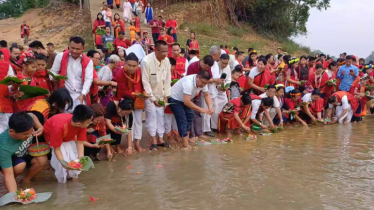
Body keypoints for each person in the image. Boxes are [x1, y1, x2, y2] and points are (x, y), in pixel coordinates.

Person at [44, 105, 93, 183]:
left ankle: (74, 179)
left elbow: (80, 143)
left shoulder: (82, 125)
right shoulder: (58, 127)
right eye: (88, 122)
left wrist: (81, 159)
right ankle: (61, 182)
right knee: (61, 165)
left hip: (68, 137)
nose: (90, 123)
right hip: (52, 135)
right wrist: (63, 163)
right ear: (79, 124)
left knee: (74, 158)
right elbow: (57, 148)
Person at [0, 112, 45, 192]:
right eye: (25, 134)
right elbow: (8, 175)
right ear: (11, 132)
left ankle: (26, 180)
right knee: (19, 167)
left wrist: (40, 127)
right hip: (12, 158)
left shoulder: (25, 122)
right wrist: (15, 196)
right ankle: (11, 185)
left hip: (24, 153)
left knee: (42, 159)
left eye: (31, 131)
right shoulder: (4, 147)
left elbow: (32, 115)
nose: (29, 135)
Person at [169, 70, 214, 149]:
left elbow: (206, 94)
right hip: (175, 98)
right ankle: (185, 144)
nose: (203, 85)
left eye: (205, 83)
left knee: (190, 116)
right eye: (202, 82)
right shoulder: (188, 82)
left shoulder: (203, 83)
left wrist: (210, 106)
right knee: (182, 119)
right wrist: (200, 109)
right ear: (197, 77)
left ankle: (186, 138)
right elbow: (186, 102)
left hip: (186, 99)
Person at [141, 40, 171, 150]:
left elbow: (168, 80)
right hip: (149, 95)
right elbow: (145, 82)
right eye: (163, 52)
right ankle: (153, 139)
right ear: (156, 50)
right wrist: (153, 99)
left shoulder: (167, 61)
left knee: (160, 115)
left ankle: (161, 138)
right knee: (151, 115)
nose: (165, 54)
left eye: (166, 52)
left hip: (161, 94)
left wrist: (166, 97)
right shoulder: (146, 61)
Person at [50, 36, 94, 110]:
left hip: (80, 94)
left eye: (78, 49)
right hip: (64, 94)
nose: (74, 51)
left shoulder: (88, 61)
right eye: (72, 48)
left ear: (83, 48)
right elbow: (53, 71)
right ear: (68, 46)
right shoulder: (60, 56)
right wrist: (53, 78)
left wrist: (83, 94)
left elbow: (88, 79)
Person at [113, 53, 145, 152]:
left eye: (134, 66)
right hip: (125, 100)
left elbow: (143, 83)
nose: (132, 68)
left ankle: (137, 143)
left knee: (138, 121)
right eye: (129, 65)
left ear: (138, 65)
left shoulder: (140, 71)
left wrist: (143, 93)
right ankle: (129, 145)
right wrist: (136, 94)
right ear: (125, 63)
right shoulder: (119, 73)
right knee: (128, 122)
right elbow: (122, 91)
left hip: (139, 99)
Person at [186, 55, 214, 139]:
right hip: (189, 93)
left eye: (208, 68)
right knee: (190, 114)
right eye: (205, 66)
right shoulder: (192, 66)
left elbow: (206, 92)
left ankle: (199, 133)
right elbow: (189, 81)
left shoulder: (205, 75)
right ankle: (192, 135)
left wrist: (210, 106)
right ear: (201, 61)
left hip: (198, 92)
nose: (206, 69)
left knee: (198, 114)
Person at [201, 46, 224, 137]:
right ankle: (205, 129)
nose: (219, 57)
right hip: (206, 89)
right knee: (206, 110)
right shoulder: (207, 63)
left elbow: (216, 77)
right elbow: (206, 78)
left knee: (215, 108)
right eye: (219, 55)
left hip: (214, 90)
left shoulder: (216, 64)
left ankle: (214, 126)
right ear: (214, 55)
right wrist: (216, 80)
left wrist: (219, 83)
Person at [212, 54, 231, 129]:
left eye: (226, 63)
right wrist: (218, 86)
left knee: (225, 105)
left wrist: (226, 87)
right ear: (219, 60)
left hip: (223, 91)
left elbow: (229, 79)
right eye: (223, 63)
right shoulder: (214, 66)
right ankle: (214, 127)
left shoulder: (228, 67)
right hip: (214, 89)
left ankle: (222, 125)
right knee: (215, 108)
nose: (224, 65)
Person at [0, 59, 15, 133]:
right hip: (4, 105)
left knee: (5, 132)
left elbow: (11, 88)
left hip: (4, 105)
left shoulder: (6, 65)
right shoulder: (6, 65)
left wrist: (15, 87)